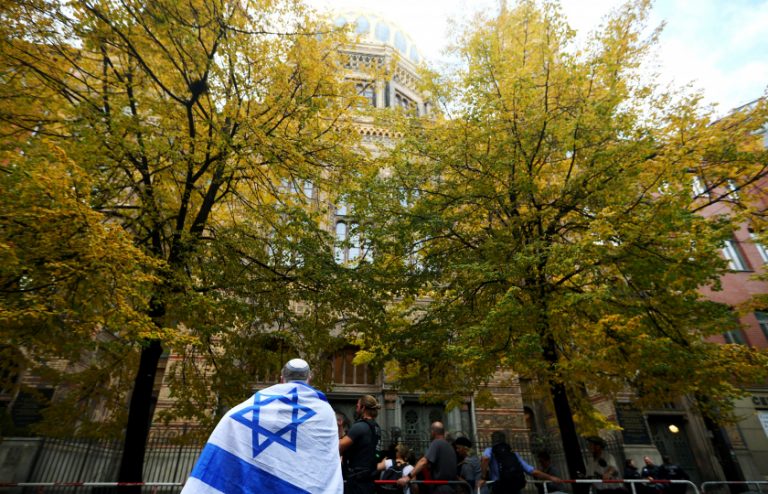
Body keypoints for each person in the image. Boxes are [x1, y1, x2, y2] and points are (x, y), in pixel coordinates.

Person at [181, 358, 342, 494]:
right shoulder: (324, 411)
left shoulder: (253, 406)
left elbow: (232, 423)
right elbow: (324, 456)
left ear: (281, 378)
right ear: (310, 379)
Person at [479, 431, 562, 494]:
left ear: (492, 440)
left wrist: (483, 477)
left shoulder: (490, 450)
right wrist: (551, 477)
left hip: (499, 488)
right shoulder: (513, 454)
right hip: (515, 488)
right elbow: (532, 471)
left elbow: (485, 458)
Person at [397, 421, 457, 493]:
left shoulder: (436, 443)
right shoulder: (449, 446)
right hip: (451, 487)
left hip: (441, 488)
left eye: (430, 431)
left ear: (433, 432)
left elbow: (423, 462)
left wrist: (408, 477)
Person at [340, 395, 383, 494]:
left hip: (357, 482)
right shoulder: (376, 427)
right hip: (369, 480)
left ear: (363, 408)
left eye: (358, 406)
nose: (356, 409)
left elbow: (339, 446)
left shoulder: (360, 426)